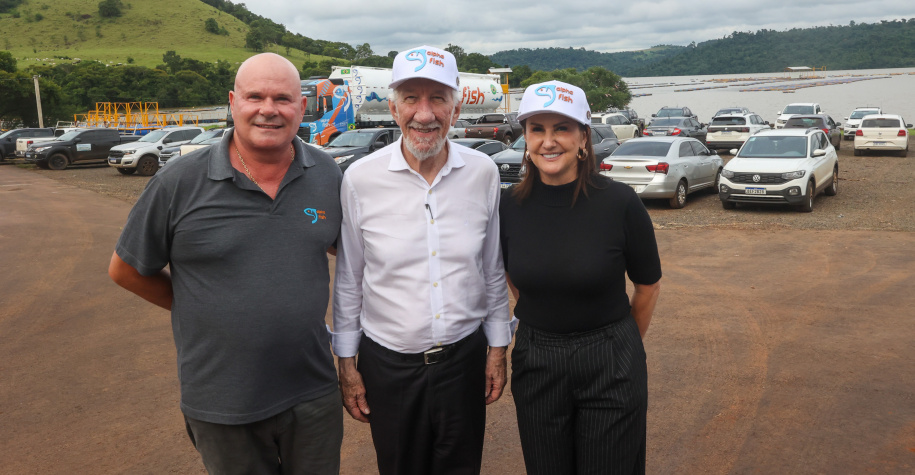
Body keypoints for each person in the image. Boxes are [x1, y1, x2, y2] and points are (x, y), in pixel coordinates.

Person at [108, 53, 344, 474]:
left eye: (283, 98)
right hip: (223, 400)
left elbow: (344, 249)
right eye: (255, 97)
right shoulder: (179, 181)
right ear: (233, 102)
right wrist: (197, 305)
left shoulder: (326, 174)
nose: (269, 109)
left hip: (313, 391)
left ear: (302, 106)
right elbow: (125, 270)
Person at [332, 45, 513, 475]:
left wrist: (497, 348)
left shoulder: (482, 173)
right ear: (393, 109)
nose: (425, 114)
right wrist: (347, 363)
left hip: (464, 361)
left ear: (455, 110)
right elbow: (350, 277)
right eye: (411, 98)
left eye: (438, 99)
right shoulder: (360, 179)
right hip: (389, 367)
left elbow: (492, 268)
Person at [499, 80, 662, 475]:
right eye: (537, 129)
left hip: (611, 360)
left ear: (583, 137)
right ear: (526, 138)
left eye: (562, 128)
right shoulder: (507, 207)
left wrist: (618, 346)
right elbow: (513, 275)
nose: (548, 141)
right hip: (537, 360)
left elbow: (647, 286)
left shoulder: (620, 203)